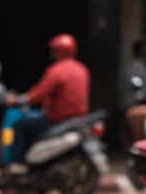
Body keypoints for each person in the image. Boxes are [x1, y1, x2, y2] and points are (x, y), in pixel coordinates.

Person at [10, 34, 90, 163]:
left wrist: (17, 100)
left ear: (60, 51)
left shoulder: (56, 71)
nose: (52, 53)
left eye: (54, 50)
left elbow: (37, 95)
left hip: (57, 120)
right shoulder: (83, 70)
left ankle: (17, 164)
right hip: (78, 120)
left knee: (20, 125)